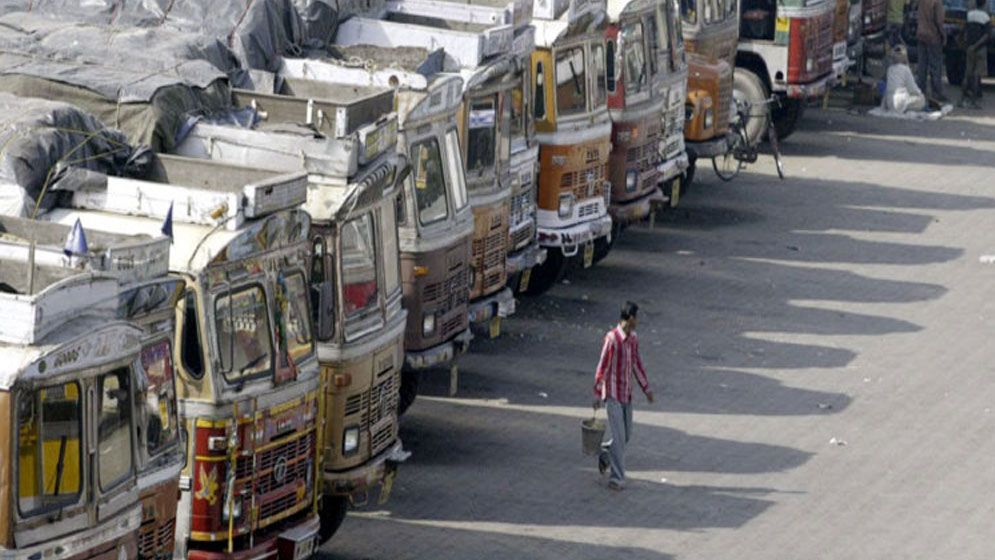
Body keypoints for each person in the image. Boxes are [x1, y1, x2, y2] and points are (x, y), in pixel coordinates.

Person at [593, 301, 654, 491]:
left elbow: (636, 364)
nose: (638, 322)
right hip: (612, 395)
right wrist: (597, 392)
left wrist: (646, 388)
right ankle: (617, 478)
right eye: (636, 318)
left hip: (626, 394)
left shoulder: (633, 339)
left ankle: (604, 453)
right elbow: (602, 366)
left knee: (626, 435)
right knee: (619, 438)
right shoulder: (612, 339)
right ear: (630, 319)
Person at [960, 0, 992, 108]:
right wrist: (977, 45)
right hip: (980, 49)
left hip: (969, 48)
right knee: (976, 76)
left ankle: (961, 99)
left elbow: (964, 31)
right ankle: (974, 102)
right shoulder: (986, 17)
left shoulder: (969, 15)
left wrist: (967, 45)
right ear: (985, 5)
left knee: (967, 74)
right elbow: (987, 35)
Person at [916, 0, 948, 103]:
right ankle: (936, 93)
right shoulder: (937, 3)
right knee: (935, 66)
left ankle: (920, 90)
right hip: (933, 37)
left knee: (922, 65)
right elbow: (939, 21)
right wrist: (944, 35)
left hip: (921, 34)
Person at [883, 46, 928, 112]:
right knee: (922, 100)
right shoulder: (905, 69)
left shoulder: (890, 69)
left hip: (890, 102)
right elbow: (912, 88)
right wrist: (920, 94)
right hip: (900, 101)